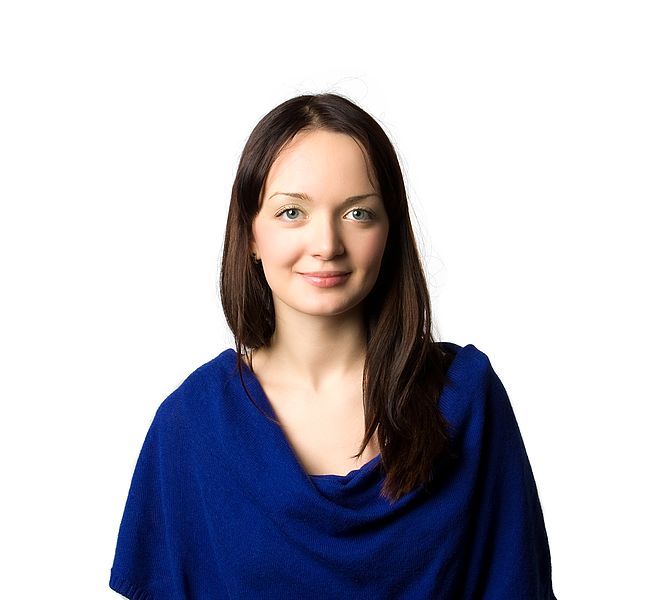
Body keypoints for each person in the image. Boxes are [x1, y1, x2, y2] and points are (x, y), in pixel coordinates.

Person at [109, 93, 557, 599]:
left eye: (358, 214)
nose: (326, 244)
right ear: (251, 233)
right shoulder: (190, 424)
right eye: (292, 212)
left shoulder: (467, 399)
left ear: (391, 230)